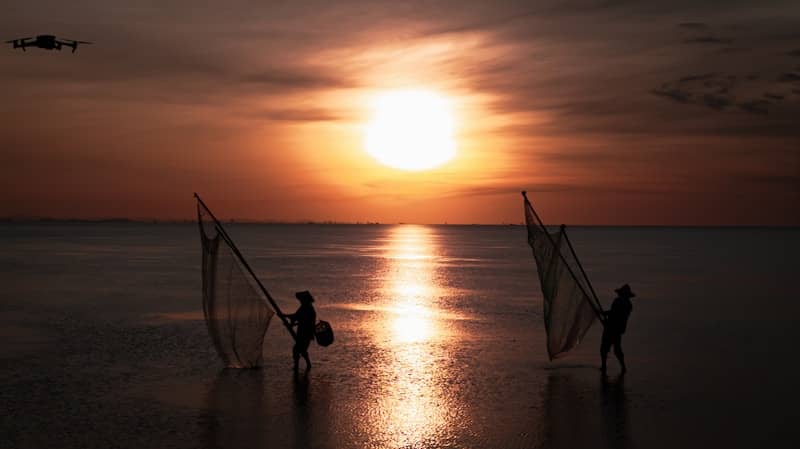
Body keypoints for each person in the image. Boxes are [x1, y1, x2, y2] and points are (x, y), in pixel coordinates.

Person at [600, 284, 634, 375]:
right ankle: (619, 367)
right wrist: (606, 316)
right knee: (614, 349)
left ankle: (606, 367)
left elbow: (615, 313)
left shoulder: (623, 303)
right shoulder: (627, 304)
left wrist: (604, 314)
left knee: (606, 349)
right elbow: (614, 313)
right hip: (615, 328)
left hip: (613, 329)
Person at [281, 290, 317, 371]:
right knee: (302, 350)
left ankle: (298, 366)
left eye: (301, 299)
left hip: (306, 333)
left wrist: (284, 315)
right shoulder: (305, 306)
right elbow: (298, 318)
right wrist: (291, 322)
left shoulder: (307, 308)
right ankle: (307, 365)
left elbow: (296, 317)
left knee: (297, 350)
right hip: (303, 332)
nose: (300, 301)